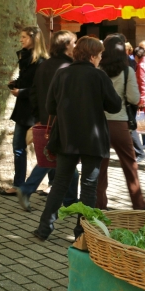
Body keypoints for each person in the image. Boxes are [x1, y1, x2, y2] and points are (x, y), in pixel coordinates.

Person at [34, 37, 122, 241]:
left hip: (67, 137)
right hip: (93, 138)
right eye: (99, 55)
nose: (100, 59)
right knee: (89, 187)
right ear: (92, 56)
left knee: (60, 183)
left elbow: (50, 107)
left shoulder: (62, 73)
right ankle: (82, 233)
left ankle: (44, 228)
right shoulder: (99, 76)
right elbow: (115, 105)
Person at [16, 30, 79, 213]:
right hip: (62, 120)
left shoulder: (45, 65)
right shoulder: (68, 66)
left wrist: (38, 117)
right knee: (58, 160)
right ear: (66, 45)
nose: (75, 46)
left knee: (58, 160)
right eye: (73, 42)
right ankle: (29, 189)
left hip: (45, 118)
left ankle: (70, 201)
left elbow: (34, 93)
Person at [96, 35, 145, 210]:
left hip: (99, 123)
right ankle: (138, 204)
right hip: (119, 122)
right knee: (129, 164)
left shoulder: (98, 70)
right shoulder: (127, 71)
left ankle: (99, 205)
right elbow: (134, 98)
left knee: (100, 166)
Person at [6, 27, 48, 195]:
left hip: (35, 112)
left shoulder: (42, 61)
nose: (21, 40)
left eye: (24, 37)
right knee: (18, 148)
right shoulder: (24, 57)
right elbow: (27, 80)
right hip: (22, 111)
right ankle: (18, 185)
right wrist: (16, 83)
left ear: (33, 38)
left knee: (43, 151)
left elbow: (40, 88)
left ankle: (53, 183)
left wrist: (21, 91)